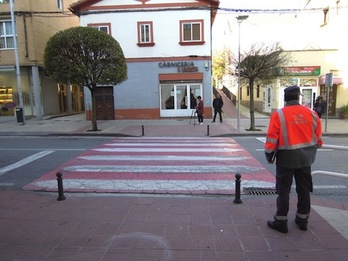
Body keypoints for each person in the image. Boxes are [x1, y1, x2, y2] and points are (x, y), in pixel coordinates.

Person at [265, 85, 323, 233]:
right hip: (305, 159)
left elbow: (272, 138)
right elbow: (318, 140)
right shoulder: (312, 114)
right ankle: (302, 220)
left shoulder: (279, 115)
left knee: (283, 190)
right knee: (304, 190)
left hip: (286, 158)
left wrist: (269, 154)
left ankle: (281, 221)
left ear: (285, 98)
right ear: (298, 97)